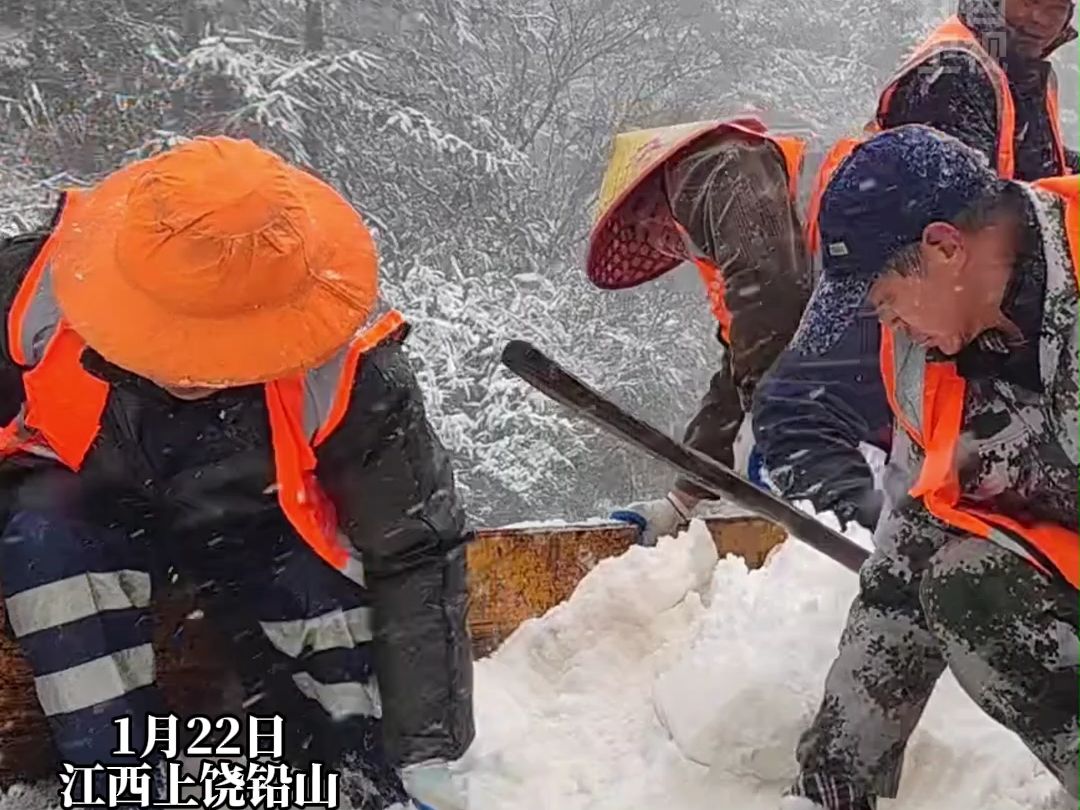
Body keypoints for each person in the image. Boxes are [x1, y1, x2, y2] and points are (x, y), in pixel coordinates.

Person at [0, 136, 473, 809]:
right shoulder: (29, 297)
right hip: (82, 513)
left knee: (327, 596)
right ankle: (117, 783)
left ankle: (345, 779)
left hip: (261, 525)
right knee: (45, 543)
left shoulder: (349, 368)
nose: (191, 369)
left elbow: (416, 547)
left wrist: (426, 749)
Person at [778, 125, 1079, 809]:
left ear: (945, 248)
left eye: (884, 302)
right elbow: (903, 572)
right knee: (965, 584)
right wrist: (831, 784)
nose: (888, 327)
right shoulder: (926, 363)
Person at [752, 0, 1077, 532]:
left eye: (1056, 3)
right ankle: (877, 535)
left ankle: (898, 531)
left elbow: (1033, 175)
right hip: (896, 267)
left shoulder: (1021, 71)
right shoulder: (953, 70)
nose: (1043, 16)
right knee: (801, 409)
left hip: (950, 279)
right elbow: (955, 202)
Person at [586, 117, 813, 543]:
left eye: (647, 224)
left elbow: (771, 299)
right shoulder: (741, 248)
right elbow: (734, 376)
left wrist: (777, 420)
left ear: (657, 194)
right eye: (647, 241)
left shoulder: (711, 169)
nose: (658, 243)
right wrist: (681, 501)